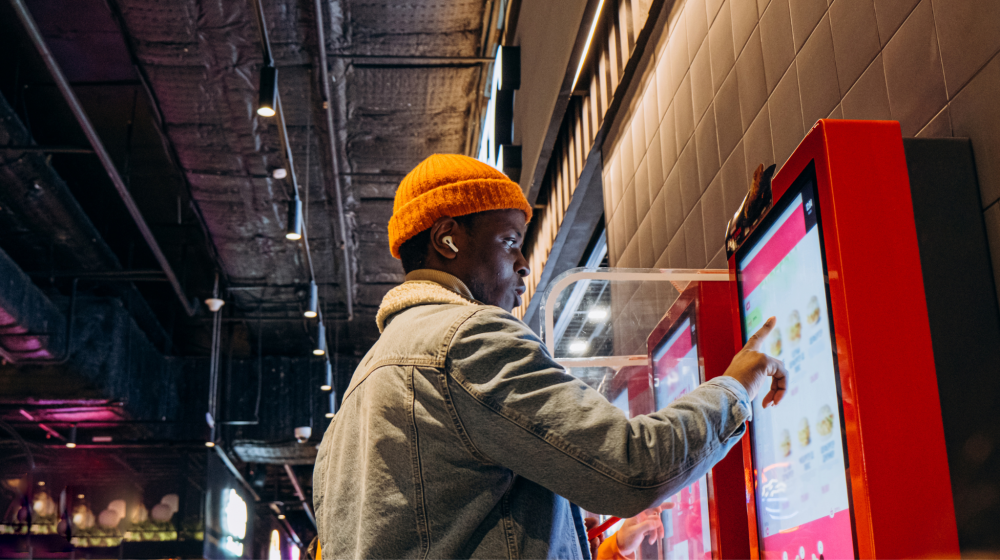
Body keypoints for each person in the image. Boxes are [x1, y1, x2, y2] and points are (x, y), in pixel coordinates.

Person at [313, 154, 786, 558]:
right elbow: (631, 466)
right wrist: (737, 386)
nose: (523, 265)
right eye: (510, 242)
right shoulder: (466, 339)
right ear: (448, 239)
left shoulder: (357, 396)